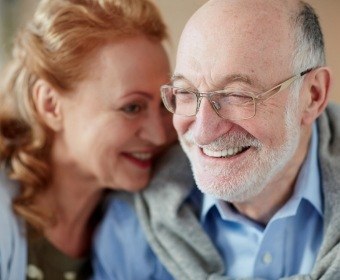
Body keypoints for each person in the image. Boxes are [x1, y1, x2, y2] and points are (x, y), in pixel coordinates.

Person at [93, 0, 340, 279]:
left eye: (237, 95)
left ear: (313, 96)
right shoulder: (128, 235)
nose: (202, 132)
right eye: (185, 92)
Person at [0, 0, 176, 279]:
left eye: (166, 104)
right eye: (132, 108)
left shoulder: (144, 218)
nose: (159, 135)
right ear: (50, 105)